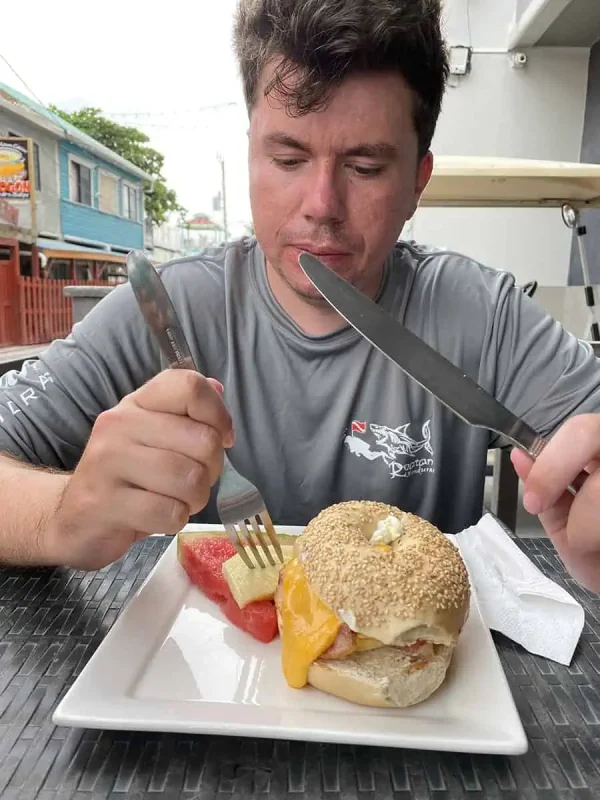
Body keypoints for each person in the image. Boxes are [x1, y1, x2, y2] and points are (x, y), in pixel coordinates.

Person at [1, 0, 599, 590]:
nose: (321, 205)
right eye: (288, 158)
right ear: (252, 154)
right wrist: (61, 517)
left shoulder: (482, 315)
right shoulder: (166, 310)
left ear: (418, 183)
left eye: (365, 168)